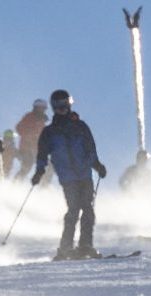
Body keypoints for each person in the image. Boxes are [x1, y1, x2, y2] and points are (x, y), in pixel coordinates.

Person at [32, 88, 106, 259]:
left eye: (64, 104)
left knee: (87, 209)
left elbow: (90, 149)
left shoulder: (80, 127)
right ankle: (65, 247)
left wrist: (97, 165)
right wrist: (39, 171)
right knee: (73, 209)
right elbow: (43, 154)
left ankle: (85, 245)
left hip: (85, 174)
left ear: (69, 104)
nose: (61, 109)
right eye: (58, 106)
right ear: (53, 107)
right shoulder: (50, 132)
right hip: (68, 177)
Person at [12, 100, 49, 180]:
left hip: (36, 148)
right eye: (41, 108)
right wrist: (28, 135)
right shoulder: (29, 117)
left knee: (45, 166)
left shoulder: (42, 120)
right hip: (26, 147)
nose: (42, 110)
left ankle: (43, 187)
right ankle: (16, 182)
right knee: (27, 164)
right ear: (36, 108)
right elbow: (19, 127)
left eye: (43, 108)